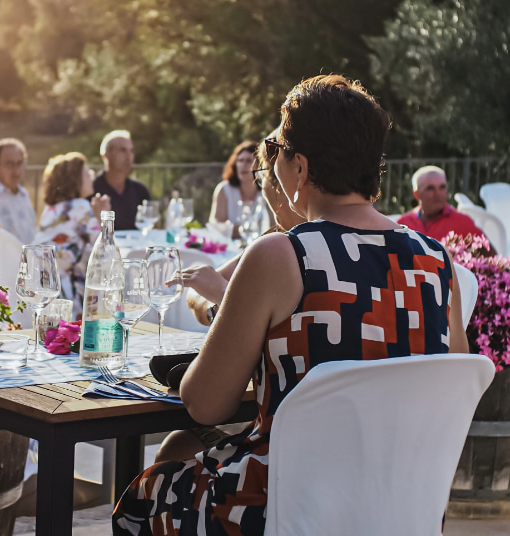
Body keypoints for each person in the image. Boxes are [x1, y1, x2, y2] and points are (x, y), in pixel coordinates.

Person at [113, 75, 468, 536]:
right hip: (403, 505)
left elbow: (205, 402)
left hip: (288, 506)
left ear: (299, 166)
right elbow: (451, 383)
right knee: (183, 448)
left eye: (276, 146)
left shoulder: (284, 255)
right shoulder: (436, 260)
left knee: (149, 494)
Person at [183, 130, 305, 327]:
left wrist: (224, 297)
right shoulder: (276, 236)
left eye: (261, 173)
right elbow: (197, 292)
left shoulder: (276, 247)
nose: (261, 184)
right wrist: (216, 306)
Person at [35, 152, 111, 318]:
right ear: (74, 179)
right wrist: (104, 217)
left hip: (45, 287)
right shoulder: (80, 207)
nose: (91, 176)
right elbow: (105, 251)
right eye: (86, 173)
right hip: (70, 295)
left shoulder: (51, 209)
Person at [397, 165, 486, 242]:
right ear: (416, 194)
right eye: (430, 188)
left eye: (442, 187)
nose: (438, 194)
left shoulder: (462, 222)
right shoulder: (404, 224)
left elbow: (492, 258)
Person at [91, 130, 150, 231]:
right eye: (123, 150)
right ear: (106, 155)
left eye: (131, 151)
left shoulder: (140, 191)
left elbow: (152, 226)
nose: (129, 156)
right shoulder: (91, 191)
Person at [208, 140, 264, 237]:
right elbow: (216, 225)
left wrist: (235, 229)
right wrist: (248, 230)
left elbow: (272, 227)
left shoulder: (266, 192)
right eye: (240, 160)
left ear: (259, 165)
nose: (243, 165)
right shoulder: (224, 189)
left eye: (249, 161)